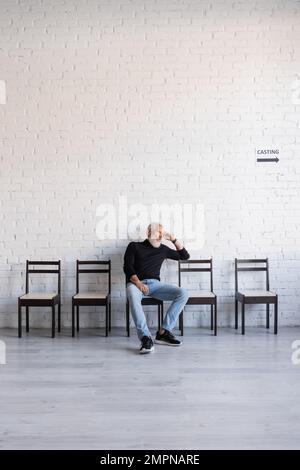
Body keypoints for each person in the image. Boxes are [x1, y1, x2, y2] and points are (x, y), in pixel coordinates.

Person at [123, 222, 190, 354]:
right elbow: (127, 267)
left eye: (161, 232)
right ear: (148, 233)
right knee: (131, 291)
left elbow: (185, 256)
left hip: (155, 285)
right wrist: (139, 284)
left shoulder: (163, 249)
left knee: (183, 293)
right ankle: (145, 338)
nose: (159, 235)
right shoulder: (134, 246)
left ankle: (164, 332)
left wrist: (173, 239)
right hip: (136, 284)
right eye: (156, 232)